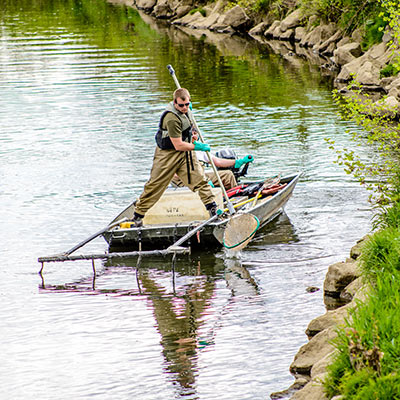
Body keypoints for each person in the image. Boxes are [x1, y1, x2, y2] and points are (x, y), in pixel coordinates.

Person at [132, 88, 219, 227]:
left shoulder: (187, 111)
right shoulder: (171, 118)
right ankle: (138, 215)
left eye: (186, 104)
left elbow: (189, 131)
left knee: (200, 180)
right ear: (175, 103)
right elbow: (178, 145)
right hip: (168, 155)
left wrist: (193, 136)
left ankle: (213, 210)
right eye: (181, 105)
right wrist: (198, 147)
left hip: (185, 154)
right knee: (155, 185)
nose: (184, 108)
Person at [172, 151, 254, 190]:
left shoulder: (198, 150)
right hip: (185, 181)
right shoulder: (178, 150)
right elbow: (173, 174)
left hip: (200, 176)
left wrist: (238, 162)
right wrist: (201, 181)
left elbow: (218, 161)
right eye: (191, 133)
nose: (193, 136)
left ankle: (232, 198)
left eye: (195, 133)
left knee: (228, 175)